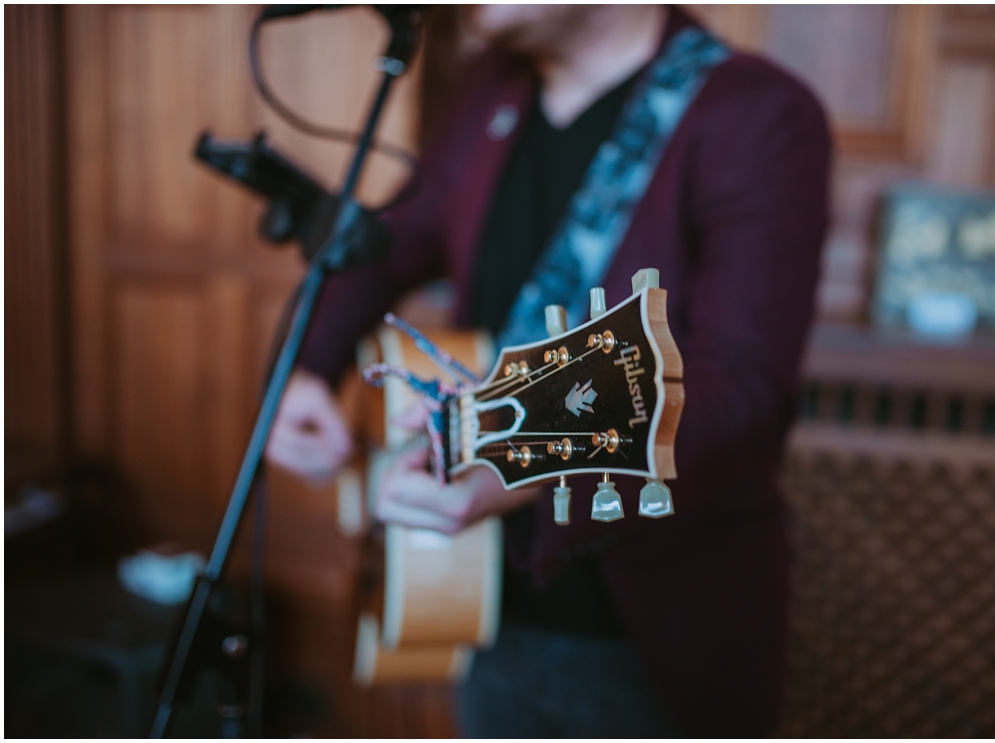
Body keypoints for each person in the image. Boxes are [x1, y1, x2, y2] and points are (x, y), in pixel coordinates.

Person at [265, 4, 831, 737]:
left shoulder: (757, 114)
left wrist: (519, 453)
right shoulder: (488, 90)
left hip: (640, 628)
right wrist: (305, 370)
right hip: (480, 594)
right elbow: (388, 243)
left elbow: (741, 394)